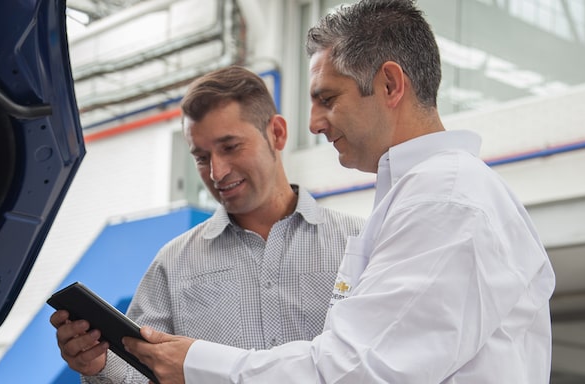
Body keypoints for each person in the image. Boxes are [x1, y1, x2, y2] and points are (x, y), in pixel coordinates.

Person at [124, 0, 557, 383]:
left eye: (328, 99)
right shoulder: (422, 197)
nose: (313, 123)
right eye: (202, 156)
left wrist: (196, 363)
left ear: (390, 85)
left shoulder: (446, 202)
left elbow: (350, 370)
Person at [49, 65, 364, 383]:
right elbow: (138, 372)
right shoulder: (173, 264)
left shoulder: (360, 242)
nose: (216, 172)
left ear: (277, 134)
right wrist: (98, 365)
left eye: (230, 147)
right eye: (201, 157)